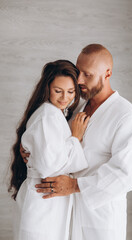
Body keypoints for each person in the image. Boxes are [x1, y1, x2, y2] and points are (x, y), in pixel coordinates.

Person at [21, 44, 132, 240]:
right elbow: (52, 140)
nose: (79, 80)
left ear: (107, 73)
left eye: (87, 75)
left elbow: (125, 175)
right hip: (65, 212)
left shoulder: (127, 116)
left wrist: (74, 186)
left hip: (100, 218)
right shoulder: (74, 106)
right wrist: (31, 146)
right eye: (79, 72)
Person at [8, 60, 90, 240]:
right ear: (47, 88)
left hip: (47, 202)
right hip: (42, 199)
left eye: (70, 92)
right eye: (58, 91)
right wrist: (75, 138)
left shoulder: (57, 113)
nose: (64, 98)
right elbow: (49, 166)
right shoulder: (48, 115)